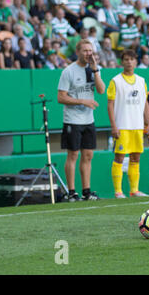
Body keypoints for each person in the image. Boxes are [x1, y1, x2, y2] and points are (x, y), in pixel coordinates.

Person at [57, 39, 106, 202]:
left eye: (90, 51)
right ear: (78, 52)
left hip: (88, 120)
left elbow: (101, 90)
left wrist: (96, 70)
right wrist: (83, 101)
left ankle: (87, 191)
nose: (88, 54)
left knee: (88, 155)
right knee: (73, 155)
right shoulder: (68, 71)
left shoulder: (95, 69)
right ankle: (71, 192)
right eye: (85, 51)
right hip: (72, 120)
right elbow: (61, 97)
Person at [107, 50, 149, 199]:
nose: (129, 62)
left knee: (136, 158)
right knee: (119, 158)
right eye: (126, 59)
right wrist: (114, 126)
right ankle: (118, 191)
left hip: (137, 126)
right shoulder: (115, 81)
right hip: (122, 125)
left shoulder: (141, 80)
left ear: (135, 61)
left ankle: (134, 190)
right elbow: (110, 104)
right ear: (122, 62)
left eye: (131, 59)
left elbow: (145, 103)